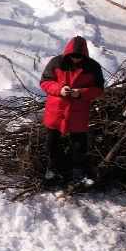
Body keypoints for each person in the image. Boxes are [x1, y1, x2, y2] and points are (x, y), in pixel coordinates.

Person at [40, 35, 106, 188]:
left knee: (79, 144)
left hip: (78, 113)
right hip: (56, 110)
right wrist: (59, 89)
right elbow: (44, 82)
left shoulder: (93, 67)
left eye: (79, 57)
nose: (76, 60)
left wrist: (81, 93)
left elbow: (99, 90)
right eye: (73, 57)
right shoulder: (56, 62)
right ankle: (52, 167)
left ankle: (78, 170)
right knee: (52, 142)